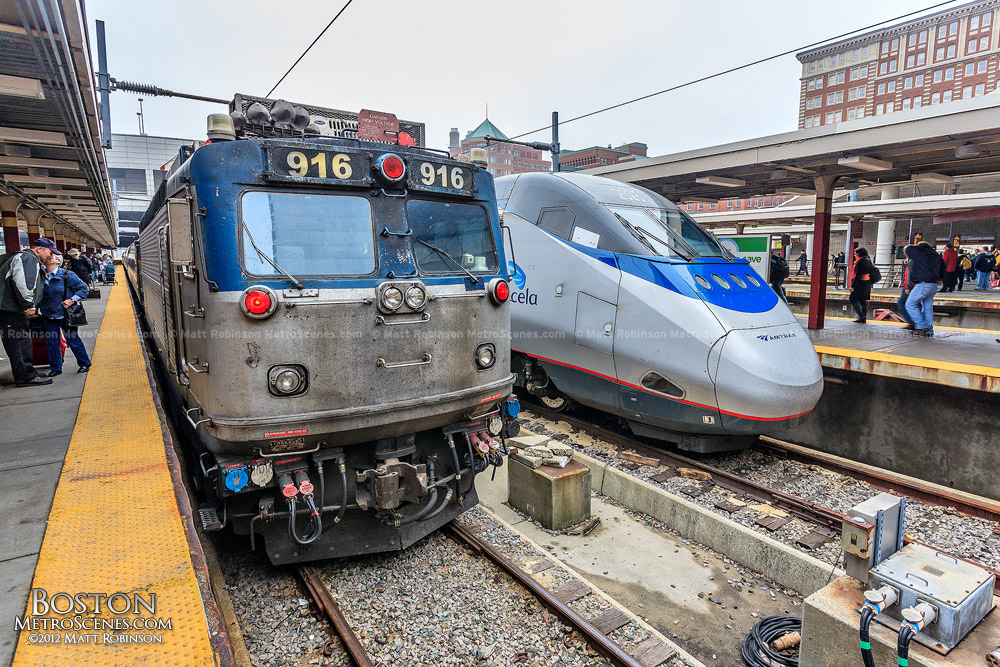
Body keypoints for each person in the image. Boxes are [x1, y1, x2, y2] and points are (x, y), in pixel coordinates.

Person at [0, 238, 59, 386]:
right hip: (11, 309)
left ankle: (27, 372)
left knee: (20, 341)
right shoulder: (28, 259)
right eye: (50, 252)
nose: (51, 257)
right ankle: (25, 377)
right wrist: (28, 304)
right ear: (39, 249)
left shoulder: (23, 257)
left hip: (9, 308)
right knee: (19, 342)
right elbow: (23, 283)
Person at [38, 254, 91, 376]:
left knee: (72, 339)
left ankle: (84, 363)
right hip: (48, 313)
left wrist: (72, 300)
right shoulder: (40, 276)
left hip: (65, 313)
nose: (49, 258)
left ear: (58, 261)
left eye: (52, 257)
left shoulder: (67, 275)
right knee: (52, 342)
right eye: (48, 257)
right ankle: (56, 367)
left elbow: (83, 288)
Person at [904, 241, 945, 336]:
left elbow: (909, 249)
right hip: (933, 285)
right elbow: (943, 268)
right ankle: (929, 330)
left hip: (923, 284)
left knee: (910, 304)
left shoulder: (919, 255)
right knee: (927, 307)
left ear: (920, 248)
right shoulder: (936, 255)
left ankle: (920, 326)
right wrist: (939, 278)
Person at [849, 247, 875, 323]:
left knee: (852, 299)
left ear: (858, 254)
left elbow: (858, 276)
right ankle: (863, 318)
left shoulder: (860, 262)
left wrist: (853, 286)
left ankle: (861, 316)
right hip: (867, 283)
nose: (854, 255)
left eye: (855, 253)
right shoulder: (868, 261)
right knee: (863, 300)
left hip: (860, 284)